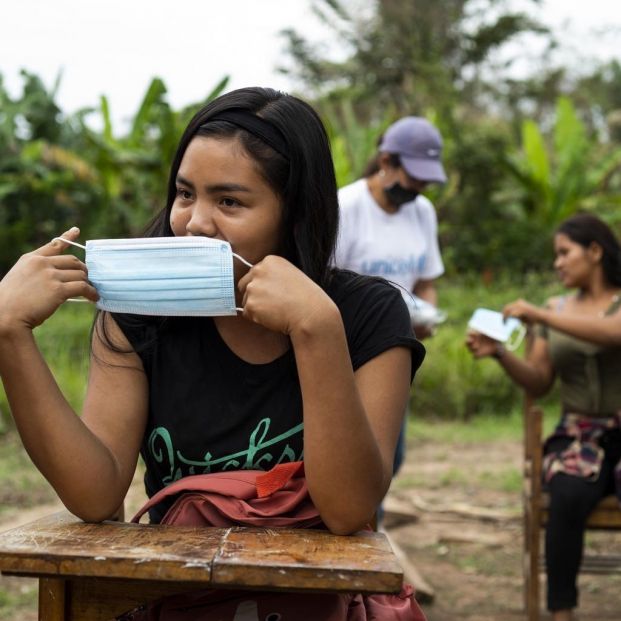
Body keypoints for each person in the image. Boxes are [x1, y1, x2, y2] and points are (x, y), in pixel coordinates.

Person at [0, 87, 425, 542]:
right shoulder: (138, 311)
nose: (195, 222)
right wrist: (8, 333)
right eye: (185, 194)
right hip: (181, 592)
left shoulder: (369, 315)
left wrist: (316, 329)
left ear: (297, 212)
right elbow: (95, 495)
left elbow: (347, 512)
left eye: (229, 202)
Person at [465, 213, 621, 621]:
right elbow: (537, 383)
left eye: (565, 253)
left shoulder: (597, 306)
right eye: (556, 255)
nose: (558, 263)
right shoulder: (555, 308)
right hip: (578, 435)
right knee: (567, 494)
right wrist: (500, 353)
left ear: (595, 251)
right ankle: (561, 612)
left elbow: (613, 333)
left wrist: (540, 316)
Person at [333, 116, 447, 482]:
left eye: (425, 179)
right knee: (354, 458)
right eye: (413, 176)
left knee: (389, 457)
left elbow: (426, 280)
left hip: (396, 352)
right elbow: (322, 286)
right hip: (348, 354)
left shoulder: (422, 212)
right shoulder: (345, 208)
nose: (419, 186)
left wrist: (425, 317)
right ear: (386, 162)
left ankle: (369, 527)